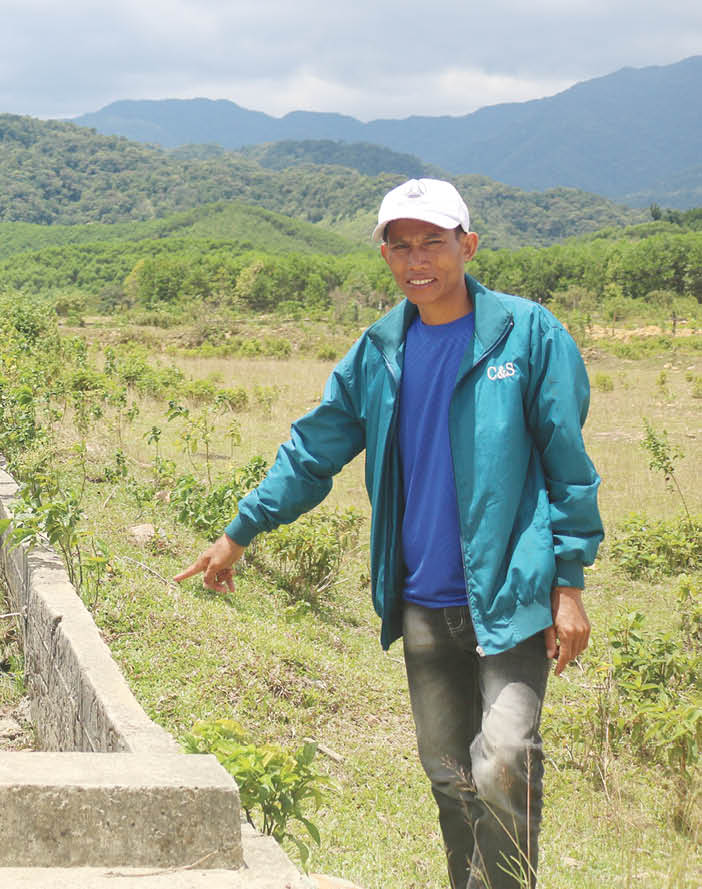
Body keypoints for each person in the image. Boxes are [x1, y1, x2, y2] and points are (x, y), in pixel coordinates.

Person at [174, 178, 602, 889]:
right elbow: (312, 450)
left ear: (467, 244)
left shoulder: (527, 335)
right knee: (449, 775)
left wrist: (570, 582)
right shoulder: (378, 353)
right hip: (421, 598)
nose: (416, 259)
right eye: (399, 245)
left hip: (512, 594)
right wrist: (239, 530)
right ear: (384, 255)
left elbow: (568, 465)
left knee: (504, 757)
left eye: (432, 240)